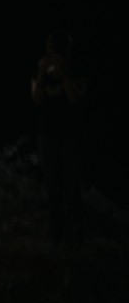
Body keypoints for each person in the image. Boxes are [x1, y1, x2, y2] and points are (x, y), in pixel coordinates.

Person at [30, 29, 88, 243]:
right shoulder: (41, 68)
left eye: (54, 45)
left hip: (69, 135)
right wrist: (41, 74)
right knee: (52, 186)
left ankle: (76, 231)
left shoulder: (75, 70)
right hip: (47, 135)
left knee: (72, 185)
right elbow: (36, 99)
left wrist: (63, 73)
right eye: (49, 45)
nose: (50, 49)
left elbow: (74, 98)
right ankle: (56, 232)